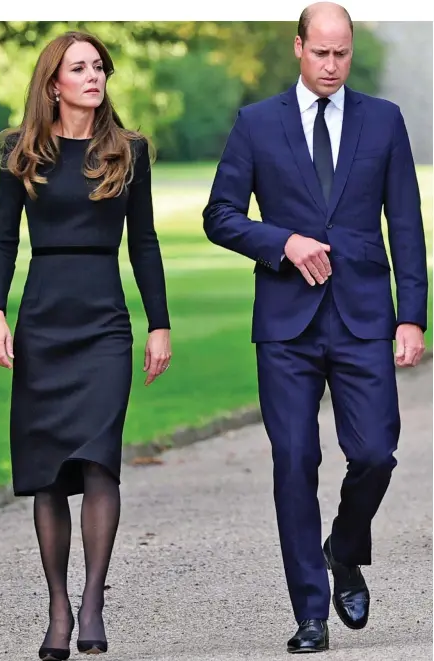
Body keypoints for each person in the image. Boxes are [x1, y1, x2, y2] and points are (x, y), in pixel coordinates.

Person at [203, 3, 427, 654]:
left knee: (376, 452)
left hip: (362, 316)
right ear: (299, 48)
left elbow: (406, 225)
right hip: (285, 322)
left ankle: (344, 546)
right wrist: (282, 242)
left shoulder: (383, 121)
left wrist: (411, 314)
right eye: (321, 52)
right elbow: (221, 214)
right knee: (295, 459)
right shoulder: (256, 124)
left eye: (343, 53)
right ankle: (310, 613)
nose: (332, 65)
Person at [0, 31, 171, 660]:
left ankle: (91, 602)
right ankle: (57, 608)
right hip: (43, 321)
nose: (93, 77)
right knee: (47, 472)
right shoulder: (19, 151)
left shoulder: (129, 151)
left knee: (99, 458)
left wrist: (160, 323)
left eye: (99, 67)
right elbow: (2, 243)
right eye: (79, 68)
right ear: (53, 82)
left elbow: (143, 243)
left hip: (104, 325)